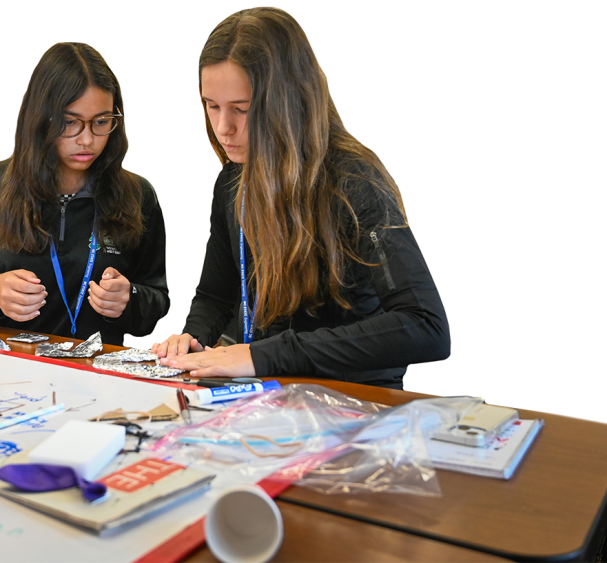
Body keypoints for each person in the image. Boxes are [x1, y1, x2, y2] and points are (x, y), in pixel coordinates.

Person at [153, 7, 449, 388]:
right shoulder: (232, 180)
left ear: (285, 101)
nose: (223, 128)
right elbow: (216, 294)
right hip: (270, 391)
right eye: (211, 106)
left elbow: (425, 326)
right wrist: (190, 339)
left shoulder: (354, 182)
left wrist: (265, 355)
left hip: (352, 400)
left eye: (242, 109)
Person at [0, 42, 169, 346]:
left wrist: (129, 298)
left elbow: (155, 300)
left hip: (98, 374)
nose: (87, 139)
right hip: (12, 370)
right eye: (70, 122)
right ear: (41, 118)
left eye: (101, 122)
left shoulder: (138, 194)